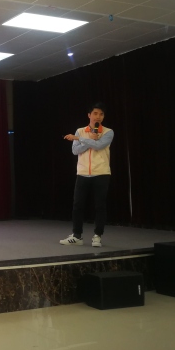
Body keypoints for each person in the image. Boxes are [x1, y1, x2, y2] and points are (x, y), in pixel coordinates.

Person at [61, 103, 114, 247]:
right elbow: (75, 151)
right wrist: (88, 139)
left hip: (101, 172)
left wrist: (80, 139)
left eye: (101, 114)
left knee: (99, 206)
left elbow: (99, 146)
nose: (98, 117)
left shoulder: (108, 132)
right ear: (89, 115)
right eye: (95, 113)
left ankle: (97, 236)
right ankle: (77, 235)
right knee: (78, 205)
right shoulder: (80, 131)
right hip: (83, 173)